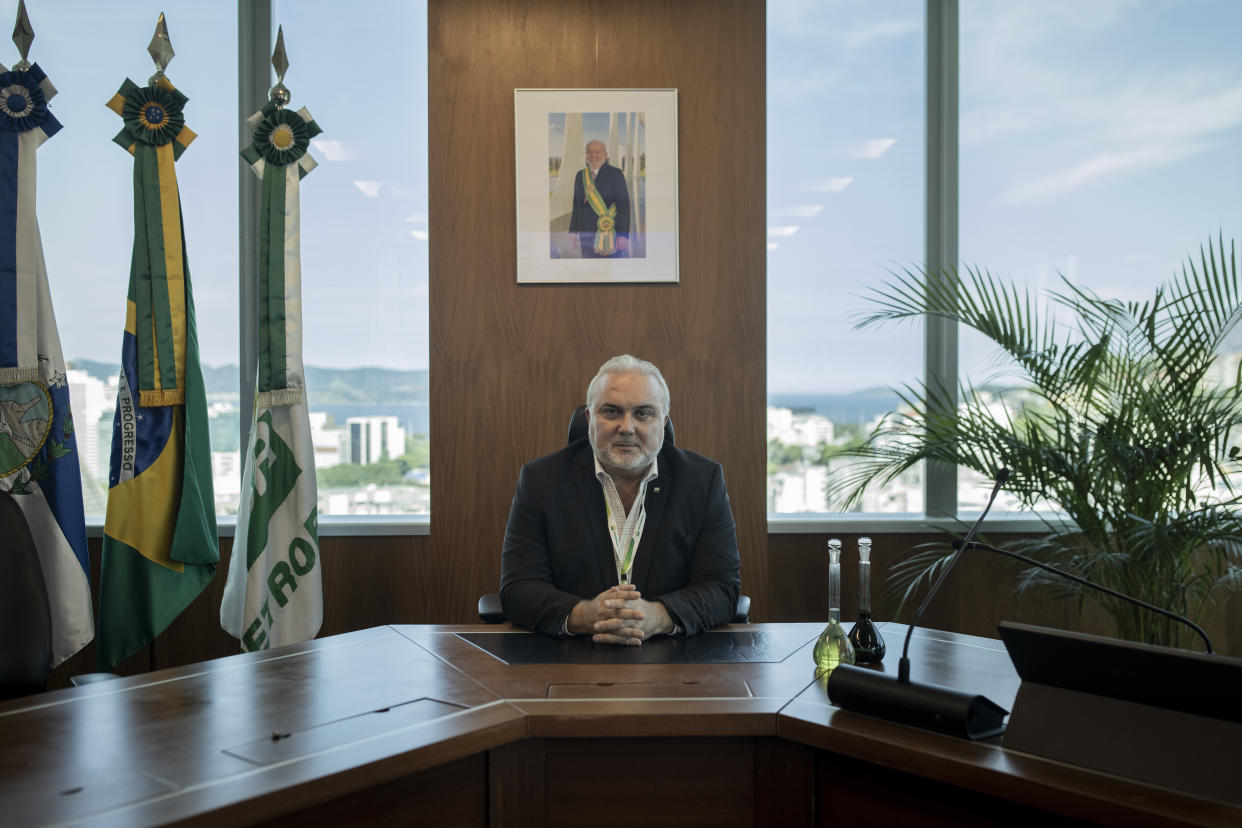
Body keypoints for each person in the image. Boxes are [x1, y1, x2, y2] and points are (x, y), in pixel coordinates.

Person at [500, 355, 741, 645]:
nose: (627, 427)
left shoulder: (702, 481)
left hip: (674, 660)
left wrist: (656, 616)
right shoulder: (541, 481)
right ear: (590, 419)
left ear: (663, 422)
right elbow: (518, 588)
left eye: (643, 413)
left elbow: (722, 588)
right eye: (612, 412)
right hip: (569, 658)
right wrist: (585, 615)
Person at [568, 140, 631, 258]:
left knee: (611, 271)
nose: (593, 155)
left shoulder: (616, 174)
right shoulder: (580, 175)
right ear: (586, 155)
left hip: (611, 235)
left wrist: (623, 235)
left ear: (605, 155)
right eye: (589, 152)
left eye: (598, 152)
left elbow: (624, 206)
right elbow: (576, 206)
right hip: (585, 236)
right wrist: (572, 231)